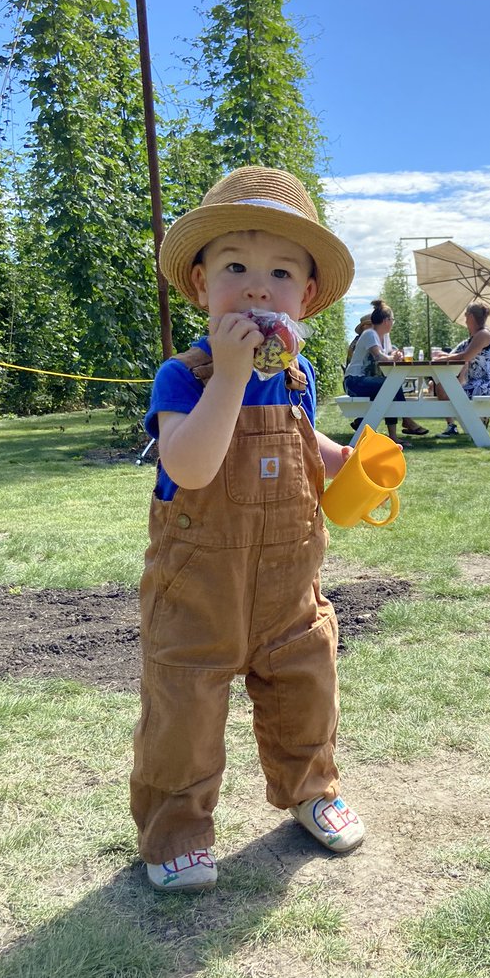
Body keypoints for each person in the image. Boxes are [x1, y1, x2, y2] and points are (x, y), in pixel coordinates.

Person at [131, 166, 365, 893]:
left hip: (288, 580)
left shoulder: (298, 379)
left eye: (280, 273)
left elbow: (301, 443)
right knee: (185, 702)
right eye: (236, 268)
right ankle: (176, 830)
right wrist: (229, 375)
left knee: (306, 683)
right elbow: (192, 466)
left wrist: (343, 459)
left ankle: (311, 791)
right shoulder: (186, 377)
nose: (258, 288)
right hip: (200, 583)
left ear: (308, 297)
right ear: (202, 286)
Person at [343, 300, 429, 441]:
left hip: (367, 381)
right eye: (392, 319)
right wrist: (391, 357)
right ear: (387, 321)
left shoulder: (385, 337)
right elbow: (379, 356)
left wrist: (397, 355)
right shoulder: (369, 334)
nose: (393, 323)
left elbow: (389, 354)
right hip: (354, 381)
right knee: (391, 385)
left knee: (390, 388)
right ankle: (406, 420)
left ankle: (394, 435)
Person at [433, 302, 490, 436]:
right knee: (439, 386)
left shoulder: (484, 334)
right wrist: (444, 356)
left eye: (466, 316)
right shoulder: (471, 340)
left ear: (471, 317)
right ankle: (463, 424)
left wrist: (442, 359)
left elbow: (465, 356)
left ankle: (455, 425)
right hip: (477, 385)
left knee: (442, 387)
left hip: (486, 387)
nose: (465, 320)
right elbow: (456, 354)